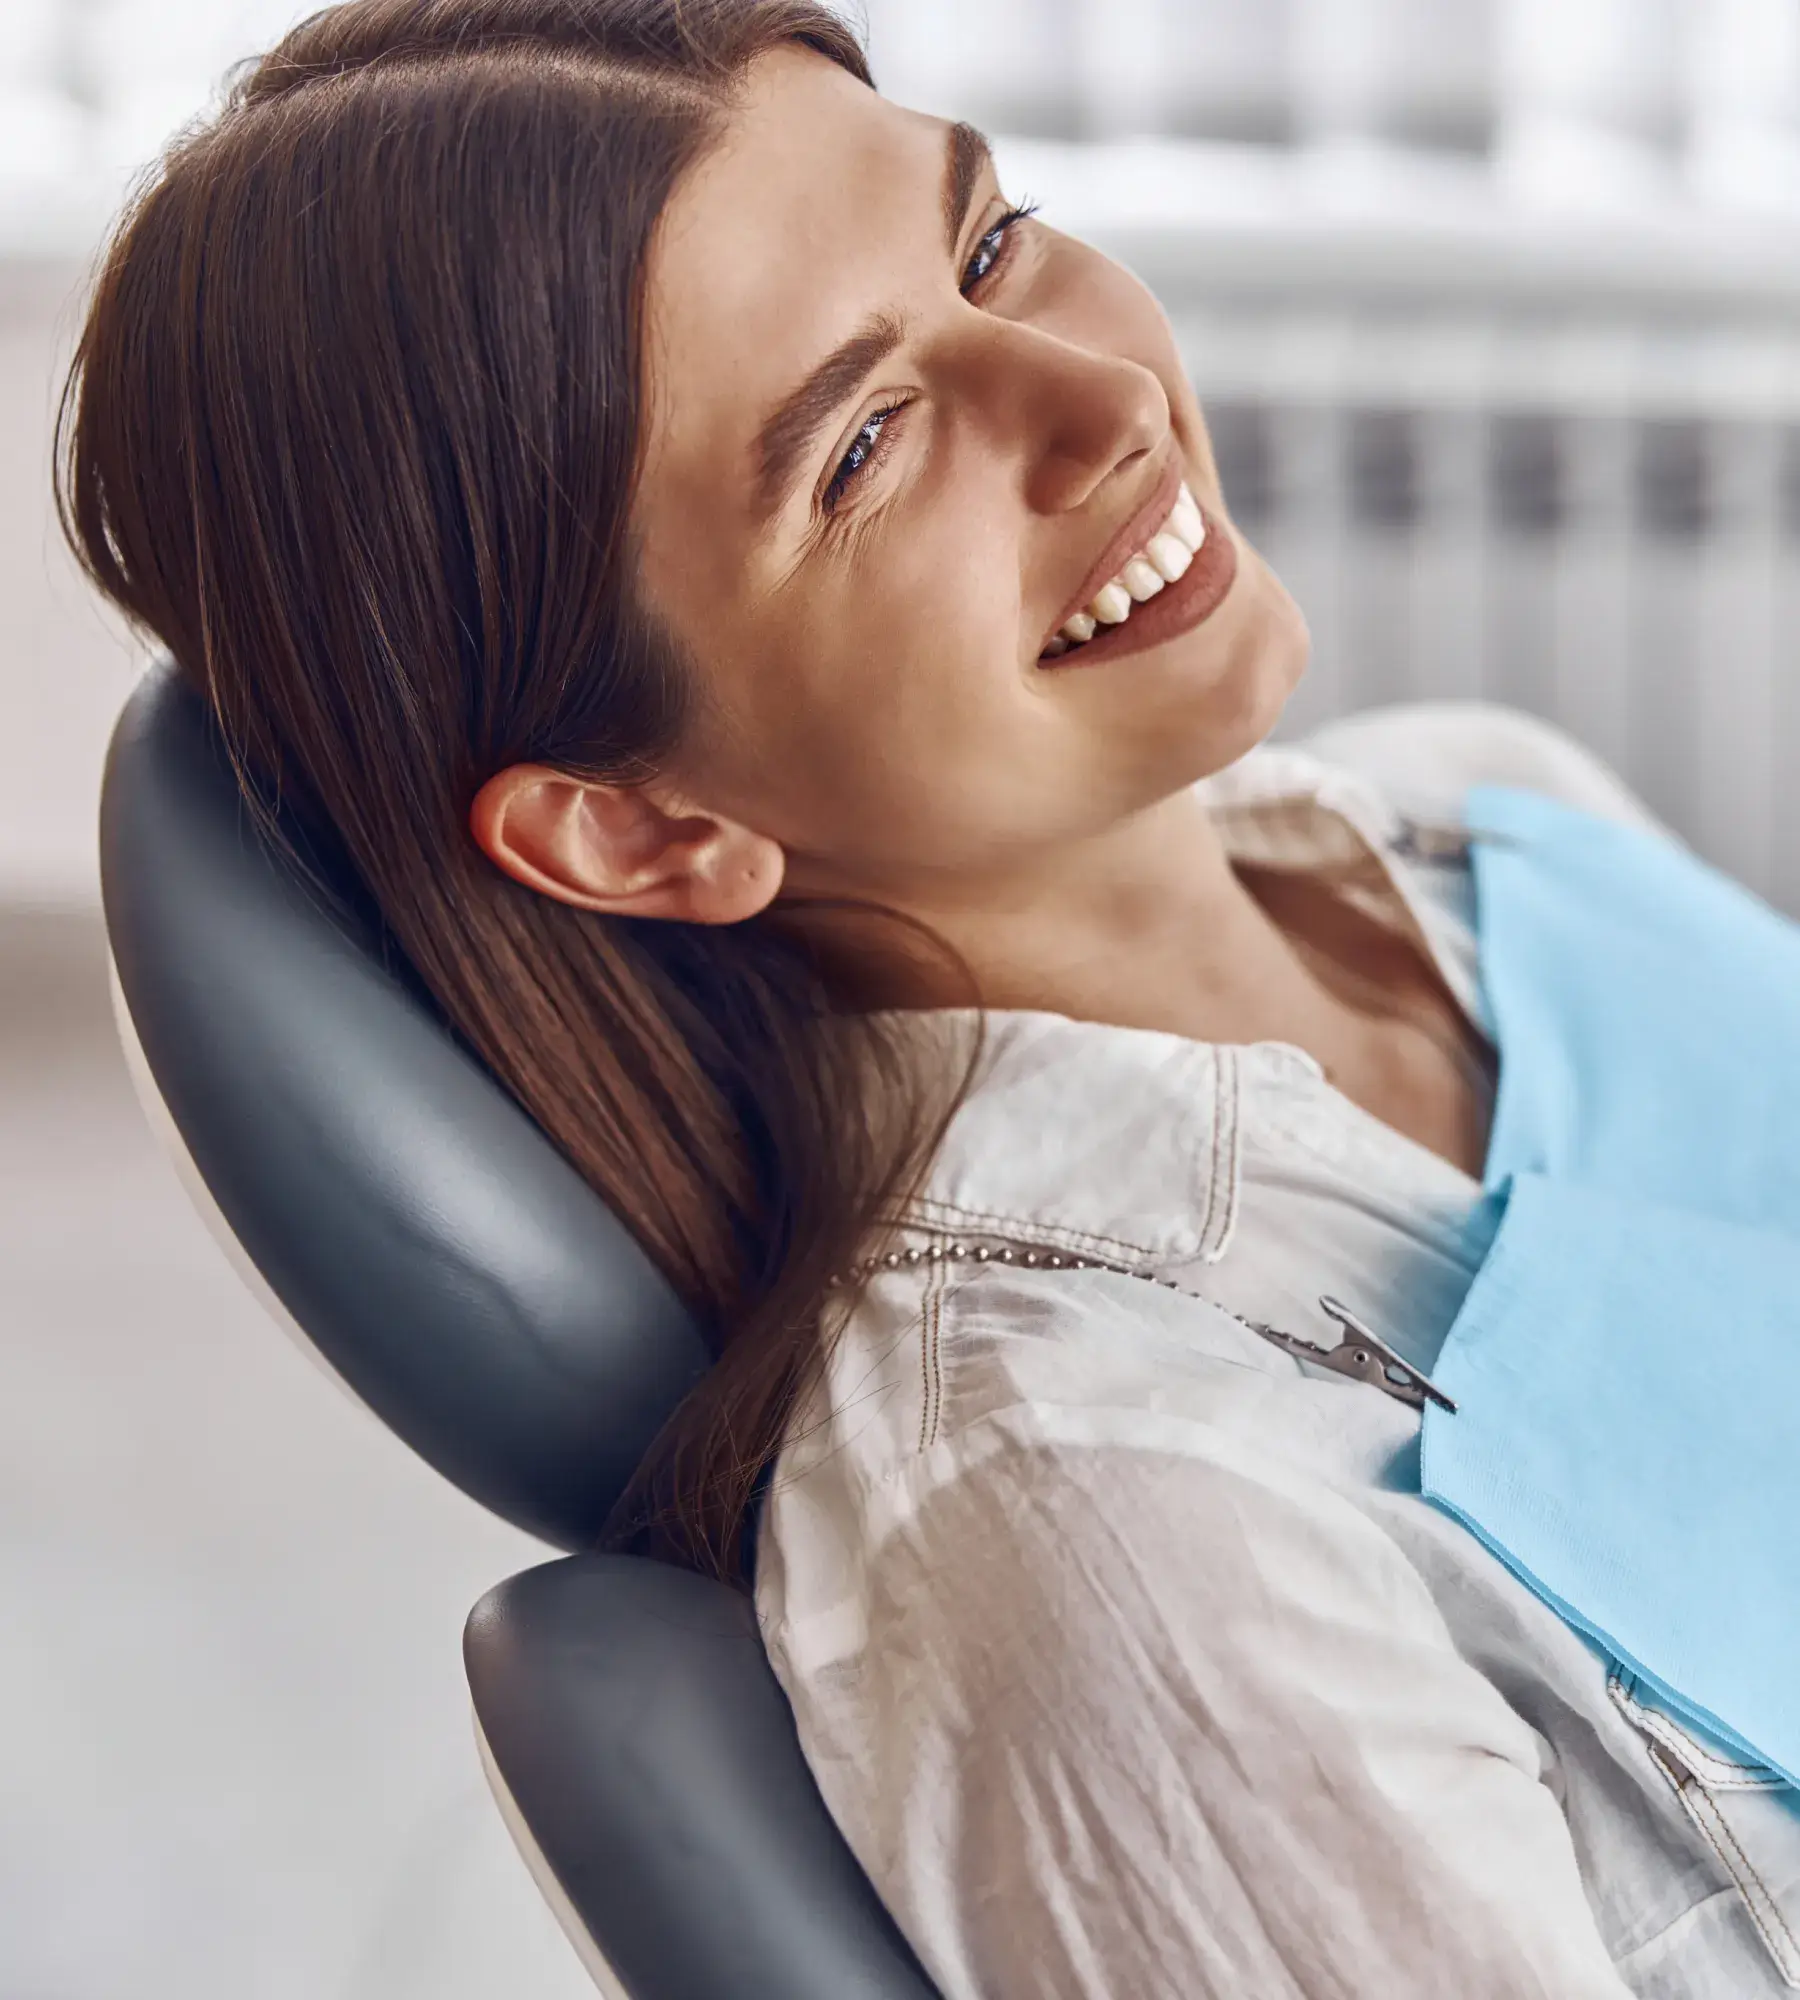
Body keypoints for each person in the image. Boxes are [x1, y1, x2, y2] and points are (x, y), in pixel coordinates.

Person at [55, 2, 1800, 1993]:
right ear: (637, 831)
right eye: (866, 449)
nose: (1095, 402)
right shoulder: (1103, 1524)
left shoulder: (1483, 822)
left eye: (990, 246)